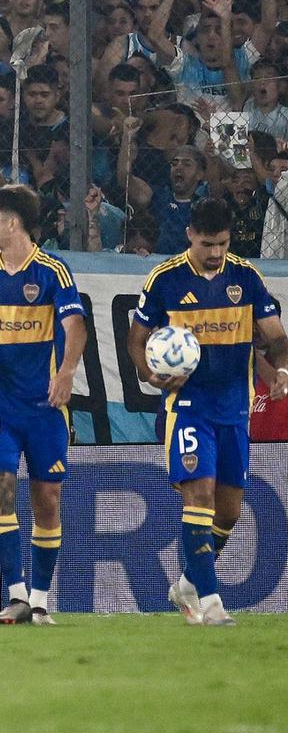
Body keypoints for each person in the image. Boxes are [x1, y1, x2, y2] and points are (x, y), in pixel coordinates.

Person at [128, 198, 288, 627]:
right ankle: (211, 602)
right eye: (206, 244)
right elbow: (136, 339)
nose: (215, 253)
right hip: (188, 408)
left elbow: (276, 337)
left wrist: (281, 369)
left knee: (229, 512)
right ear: (189, 236)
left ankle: (185, 583)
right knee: (199, 494)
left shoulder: (246, 277)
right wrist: (150, 374)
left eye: (222, 243)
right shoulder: (165, 279)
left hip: (234, 409)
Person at [0, 184, 87, 625]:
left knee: (47, 499)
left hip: (44, 404)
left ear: (13, 222)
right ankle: (15, 594)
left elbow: (75, 327)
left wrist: (67, 372)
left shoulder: (54, 272)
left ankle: (39, 599)